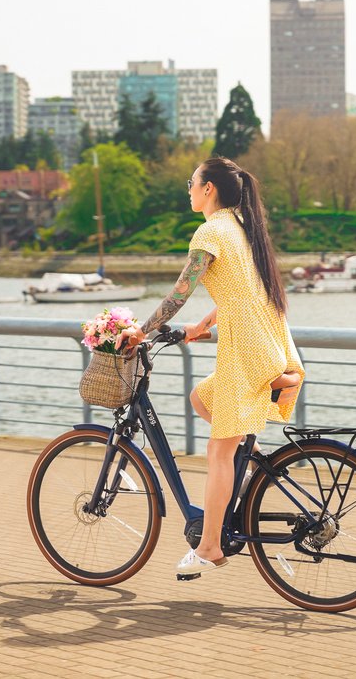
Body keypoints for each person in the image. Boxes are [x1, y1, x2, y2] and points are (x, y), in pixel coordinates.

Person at [115, 156, 305, 577]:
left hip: (248, 349)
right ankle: (256, 464)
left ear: (208, 190)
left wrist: (142, 332)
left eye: (191, 182)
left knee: (219, 450)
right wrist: (202, 325)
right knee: (202, 399)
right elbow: (242, 291)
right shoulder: (240, 227)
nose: (188, 189)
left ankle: (211, 546)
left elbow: (181, 291)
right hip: (266, 337)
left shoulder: (210, 230)